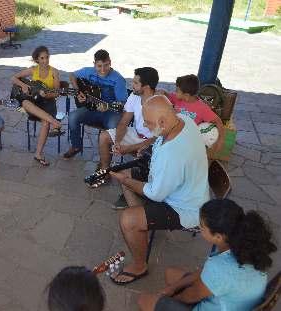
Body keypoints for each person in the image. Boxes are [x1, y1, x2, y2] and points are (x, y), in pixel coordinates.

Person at [109, 95, 210, 284]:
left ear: (162, 121)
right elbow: (157, 144)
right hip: (189, 189)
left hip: (185, 209)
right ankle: (143, 226)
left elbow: (155, 193)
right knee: (129, 174)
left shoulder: (173, 155)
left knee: (128, 218)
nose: (145, 127)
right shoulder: (184, 120)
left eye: (147, 123)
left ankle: (140, 266)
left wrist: (125, 180)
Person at [138, 199, 277, 311]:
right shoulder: (245, 247)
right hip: (233, 301)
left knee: (144, 300)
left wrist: (170, 298)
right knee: (171, 274)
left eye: (202, 227)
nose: (199, 228)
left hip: (215, 304)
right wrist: (172, 288)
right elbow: (205, 274)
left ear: (218, 236)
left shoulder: (218, 267)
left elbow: (190, 296)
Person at [94, 67, 158, 188]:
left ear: (147, 87)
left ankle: (139, 188)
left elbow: (158, 138)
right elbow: (123, 122)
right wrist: (117, 142)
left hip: (153, 142)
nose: (132, 85)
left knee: (143, 155)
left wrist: (129, 148)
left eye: (135, 83)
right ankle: (105, 171)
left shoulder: (159, 103)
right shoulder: (134, 96)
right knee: (104, 136)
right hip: (137, 134)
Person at [63, 49, 128, 159]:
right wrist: (78, 91)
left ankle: (105, 161)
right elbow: (72, 75)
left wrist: (107, 106)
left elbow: (123, 103)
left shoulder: (118, 79)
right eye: (99, 66)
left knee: (111, 127)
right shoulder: (89, 71)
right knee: (73, 116)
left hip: (111, 111)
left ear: (110, 62)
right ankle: (76, 146)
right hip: (93, 108)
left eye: (106, 65)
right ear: (94, 64)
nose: (103, 70)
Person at [11, 45, 62, 166]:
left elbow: (57, 93)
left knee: (45, 122)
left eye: (47, 58)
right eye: (42, 58)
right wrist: (23, 85)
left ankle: (38, 154)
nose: (45, 61)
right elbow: (13, 78)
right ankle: (55, 122)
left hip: (48, 102)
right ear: (37, 60)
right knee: (24, 102)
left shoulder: (54, 72)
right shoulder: (33, 70)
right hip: (33, 101)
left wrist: (46, 95)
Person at [157, 74, 225, 156]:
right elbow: (168, 96)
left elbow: (218, 121)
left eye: (177, 90)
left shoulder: (202, 108)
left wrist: (220, 140)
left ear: (186, 95)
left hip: (188, 142)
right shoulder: (177, 98)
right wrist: (164, 92)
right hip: (172, 137)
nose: (175, 92)